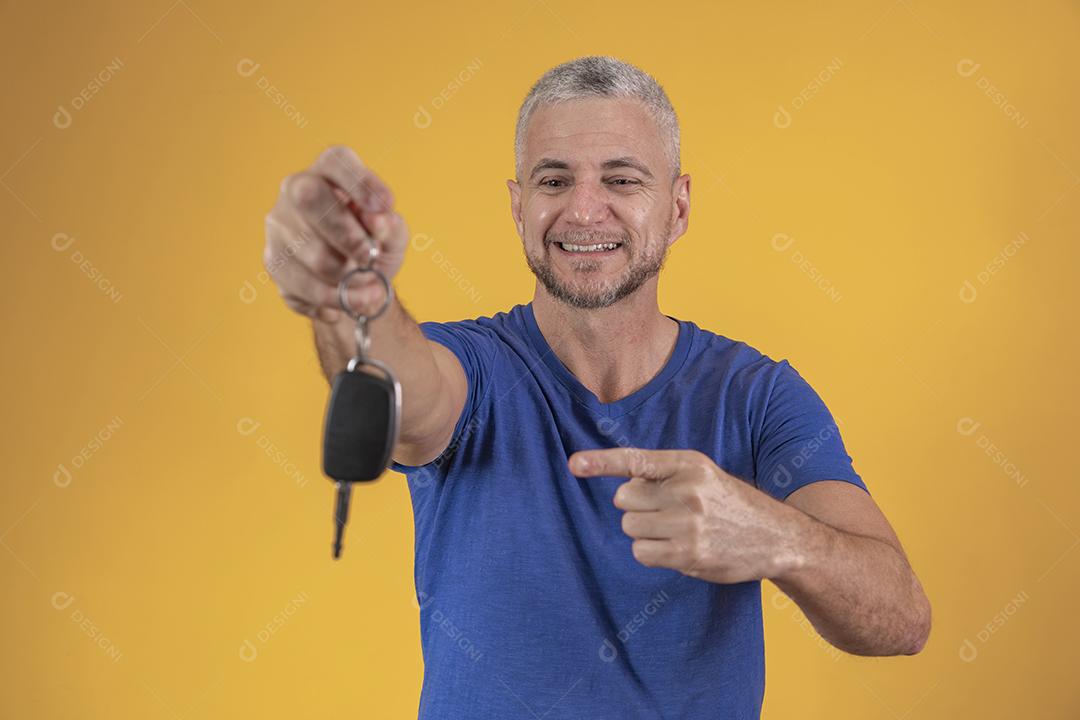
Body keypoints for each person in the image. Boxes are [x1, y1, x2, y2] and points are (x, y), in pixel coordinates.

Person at [263, 55, 931, 720]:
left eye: (621, 178)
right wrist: (345, 295)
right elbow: (403, 385)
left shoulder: (756, 395)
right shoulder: (474, 367)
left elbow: (901, 618)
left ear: (677, 206)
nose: (584, 210)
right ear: (519, 207)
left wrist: (775, 537)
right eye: (554, 180)